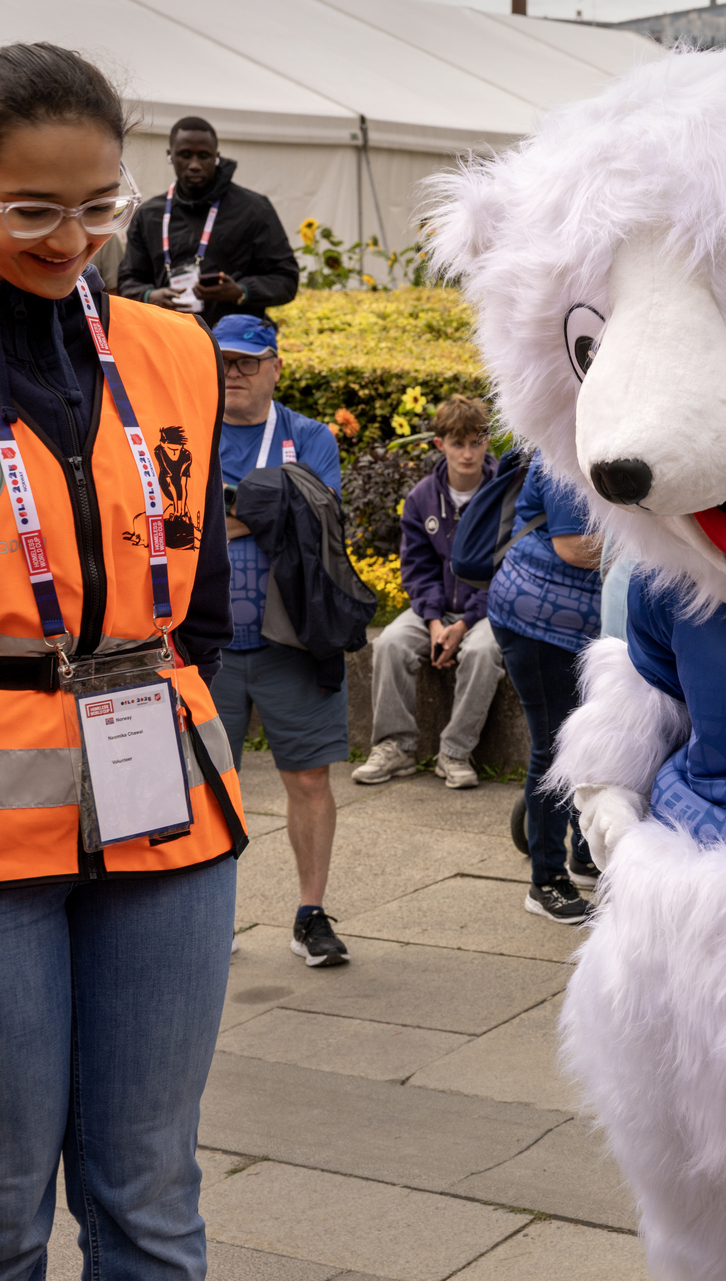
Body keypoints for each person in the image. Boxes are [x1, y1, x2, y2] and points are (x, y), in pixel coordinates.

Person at [0, 42, 246, 1279]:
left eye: (97, 207)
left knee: (151, 1189)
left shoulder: (175, 350)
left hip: (165, 793)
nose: (71, 239)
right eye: (31, 211)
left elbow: (195, 587)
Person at [208, 314, 351, 967]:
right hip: (204, 644)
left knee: (310, 779)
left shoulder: (309, 435)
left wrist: (234, 511)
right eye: (224, 360)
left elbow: (314, 518)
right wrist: (269, 507)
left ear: (275, 367)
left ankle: (309, 915)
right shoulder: (184, 429)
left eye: (247, 361)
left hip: (293, 640)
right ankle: (211, 919)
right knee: (204, 784)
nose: (233, 372)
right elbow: (179, 525)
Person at [354, 395, 504, 788]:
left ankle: (455, 752)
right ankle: (395, 747)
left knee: (484, 651)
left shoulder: (505, 494)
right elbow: (417, 570)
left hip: (487, 612)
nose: (468, 453)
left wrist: (465, 623)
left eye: (476, 442)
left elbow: (505, 572)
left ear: (488, 441)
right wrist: (436, 623)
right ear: (440, 444)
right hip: (435, 612)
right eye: (458, 443)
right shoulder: (422, 497)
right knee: (390, 643)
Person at [490, 452, 602, 923]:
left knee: (589, 743)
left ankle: (583, 855)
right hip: (537, 621)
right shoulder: (565, 453)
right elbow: (574, 546)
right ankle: (546, 881)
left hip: (580, 625)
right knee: (555, 748)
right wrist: (652, 546)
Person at [116, 116, 297, 327]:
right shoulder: (148, 215)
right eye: (185, 155)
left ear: (216, 157)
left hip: (233, 346)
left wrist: (240, 291)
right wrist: (150, 296)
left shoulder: (254, 209)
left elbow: (286, 280)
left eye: (204, 156)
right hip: (171, 338)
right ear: (170, 156)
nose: (194, 165)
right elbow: (127, 282)